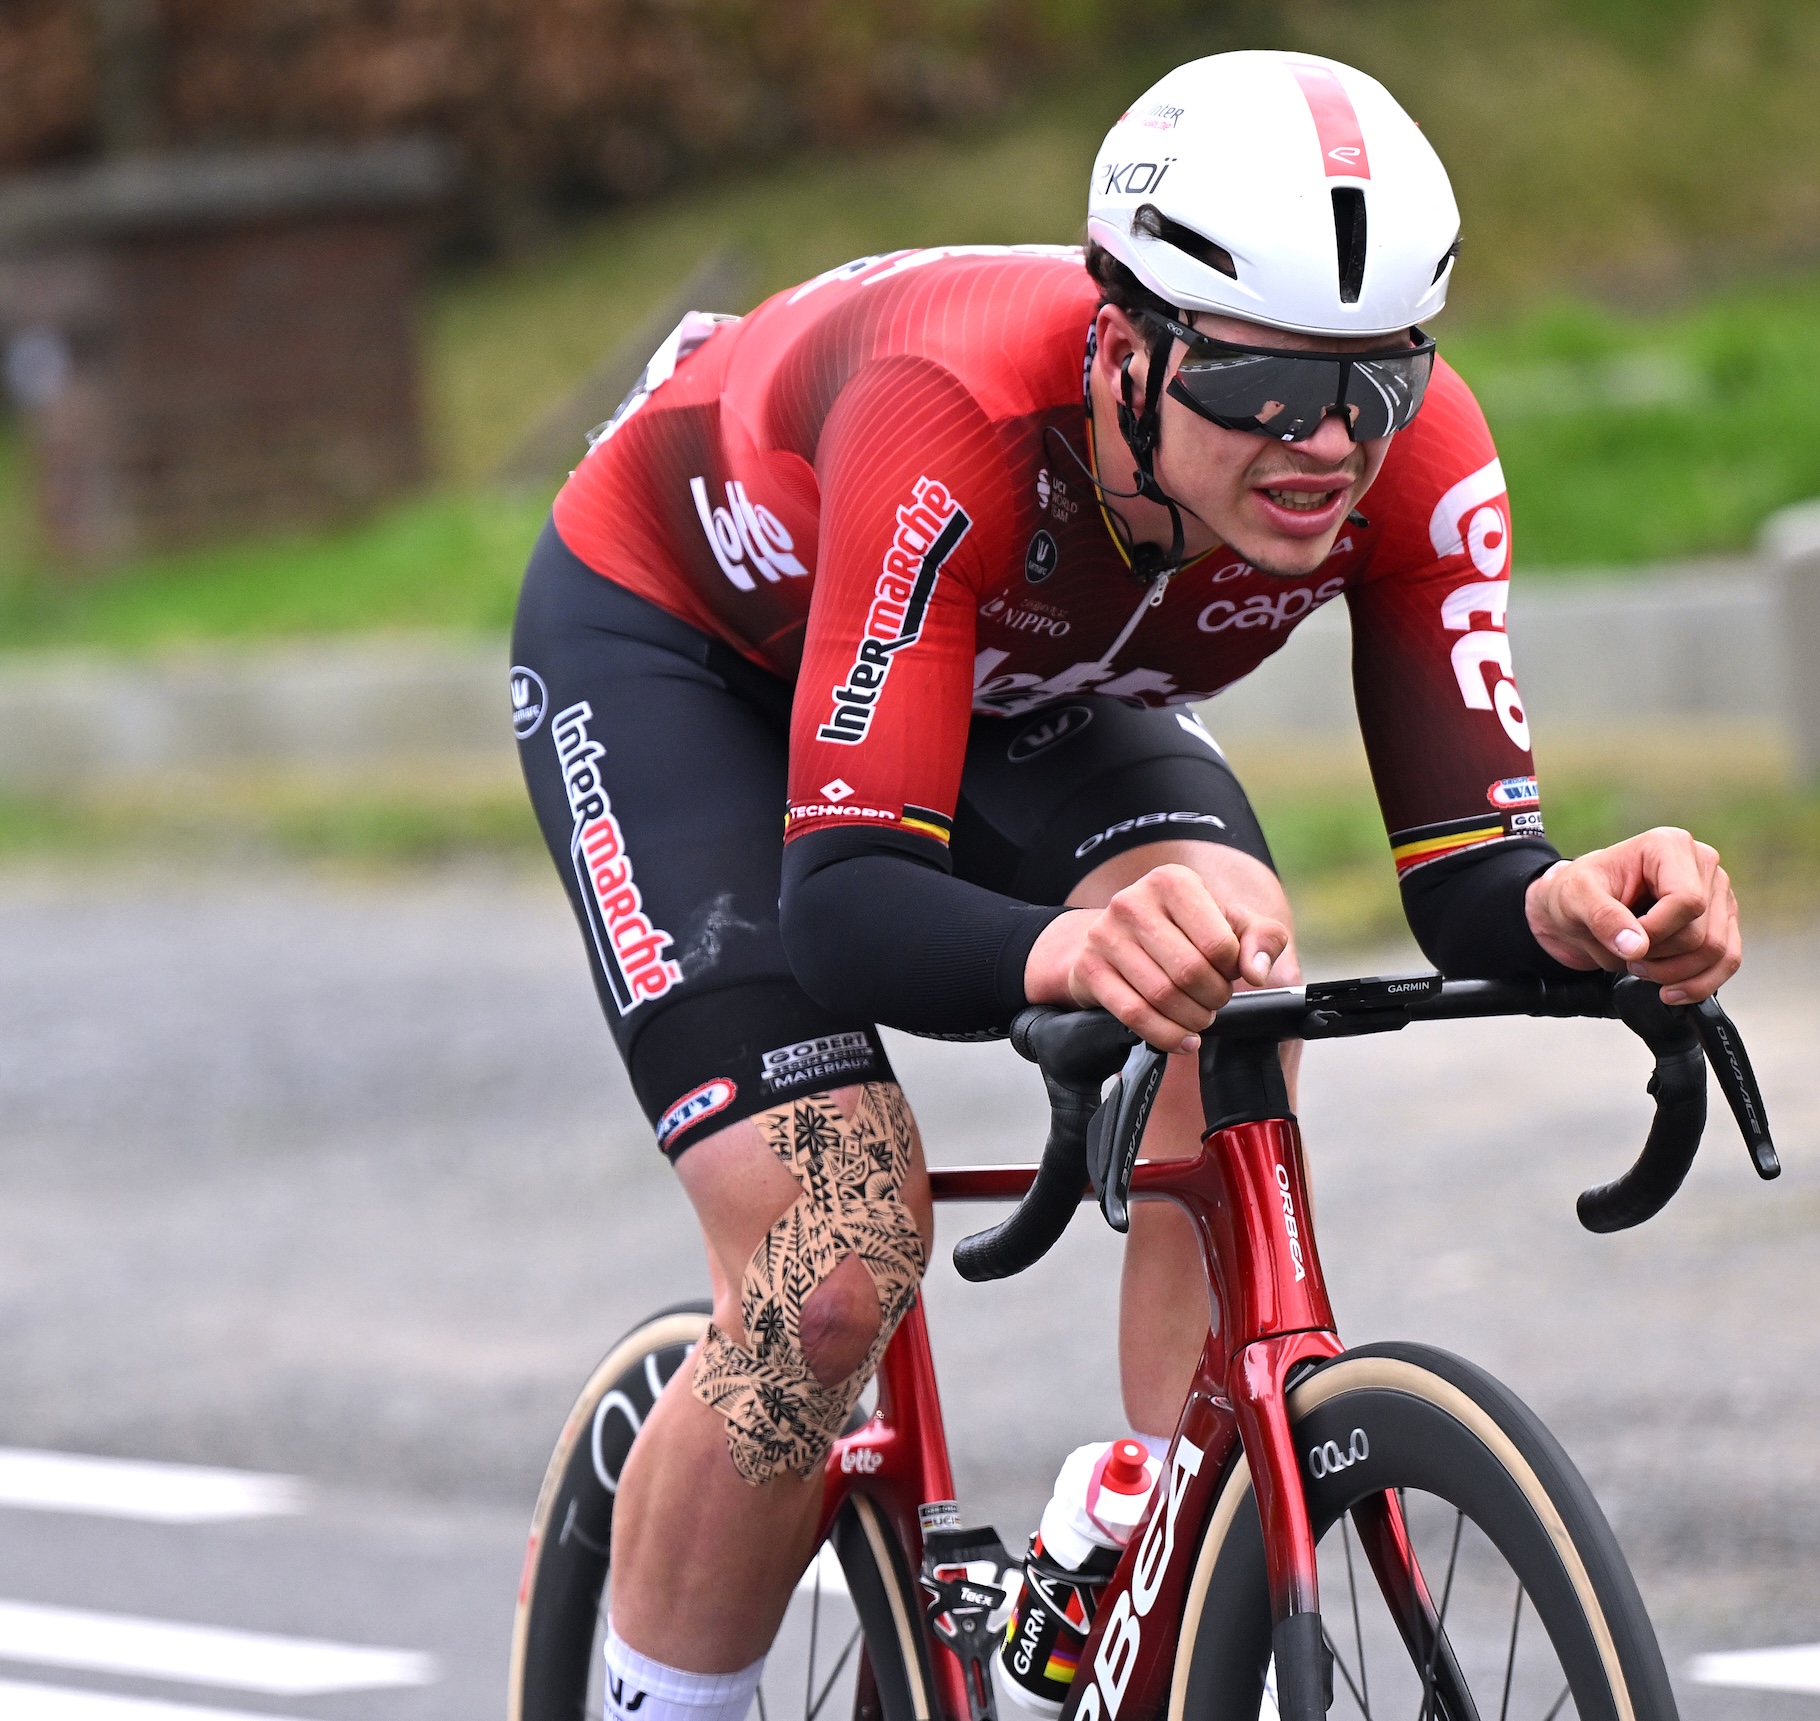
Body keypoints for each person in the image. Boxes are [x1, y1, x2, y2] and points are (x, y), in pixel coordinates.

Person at [510, 47, 1741, 1721]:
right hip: (688, 653)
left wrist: (1588, 911)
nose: (1325, 441)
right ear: (1124, 348)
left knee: (1233, 955)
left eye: (1375, 379)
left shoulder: (1419, 462)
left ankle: (1157, 1529)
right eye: (1259, 381)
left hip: (1021, 671)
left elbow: (1471, 876)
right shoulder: (950, 416)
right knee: (834, 1256)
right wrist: (1073, 950)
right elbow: (848, 903)